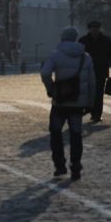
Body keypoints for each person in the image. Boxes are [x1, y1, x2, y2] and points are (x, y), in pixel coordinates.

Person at [41, 27, 95, 181]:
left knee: (56, 132)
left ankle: (60, 165)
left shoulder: (56, 55)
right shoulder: (86, 57)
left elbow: (45, 73)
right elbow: (92, 82)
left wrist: (51, 89)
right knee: (76, 135)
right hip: (78, 103)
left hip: (60, 102)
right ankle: (76, 166)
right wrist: (90, 103)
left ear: (62, 38)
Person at [78, 20, 111, 123]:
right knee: (89, 92)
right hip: (88, 70)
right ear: (89, 29)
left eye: (96, 28)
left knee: (99, 94)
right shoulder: (83, 41)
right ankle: (90, 110)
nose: (95, 30)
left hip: (101, 70)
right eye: (93, 28)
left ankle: (96, 114)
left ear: (99, 28)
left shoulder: (105, 40)